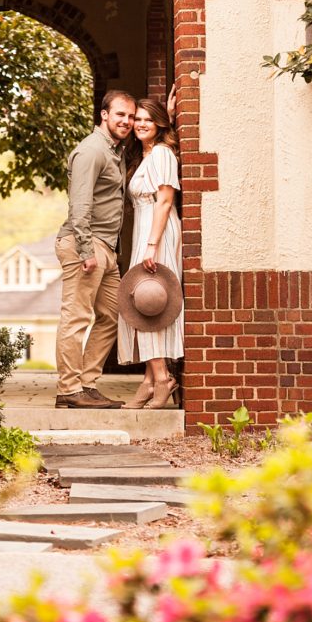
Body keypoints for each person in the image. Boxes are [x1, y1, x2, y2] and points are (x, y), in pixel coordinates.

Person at [54, 90, 137, 409]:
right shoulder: (91, 151)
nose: (126, 121)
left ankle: (86, 383)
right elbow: (80, 205)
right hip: (83, 244)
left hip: (105, 248)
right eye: (120, 115)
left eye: (130, 116)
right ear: (104, 115)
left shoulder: (115, 150)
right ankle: (68, 390)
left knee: (113, 313)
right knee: (76, 317)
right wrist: (87, 250)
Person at [118, 94, 184, 409]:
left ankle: (162, 380)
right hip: (147, 232)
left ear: (159, 125)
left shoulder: (160, 154)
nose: (141, 124)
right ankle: (148, 380)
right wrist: (166, 113)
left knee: (149, 303)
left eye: (149, 119)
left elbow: (165, 200)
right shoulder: (145, 154)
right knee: (144, 302)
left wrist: (152, 244)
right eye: (138, 119)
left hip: (157, 232)